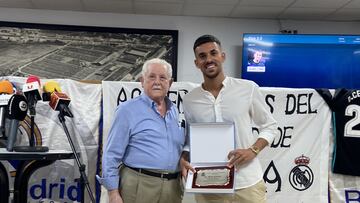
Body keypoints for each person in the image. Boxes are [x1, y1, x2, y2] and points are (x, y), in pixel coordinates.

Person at [180, 35, 277, 203]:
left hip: (247, 182)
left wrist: (252, 150)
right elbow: (191, 140)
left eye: (213, 53)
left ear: (222, 56)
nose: (209, 59)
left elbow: (270, 126)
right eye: (202, 56)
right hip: (208, 184)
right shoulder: (190, 100)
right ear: (196, 63)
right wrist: (184, 157)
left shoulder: (248, 88)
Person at [98, 58, 184, 203]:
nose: (157, 81)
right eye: (152, 77)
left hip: (172, 188)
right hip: (138, 185)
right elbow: (111, 154)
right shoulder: (127, 111)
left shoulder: (176, 112)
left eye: (163, 77)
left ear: (170, 83)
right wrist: (113, 193)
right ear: (142, 81)